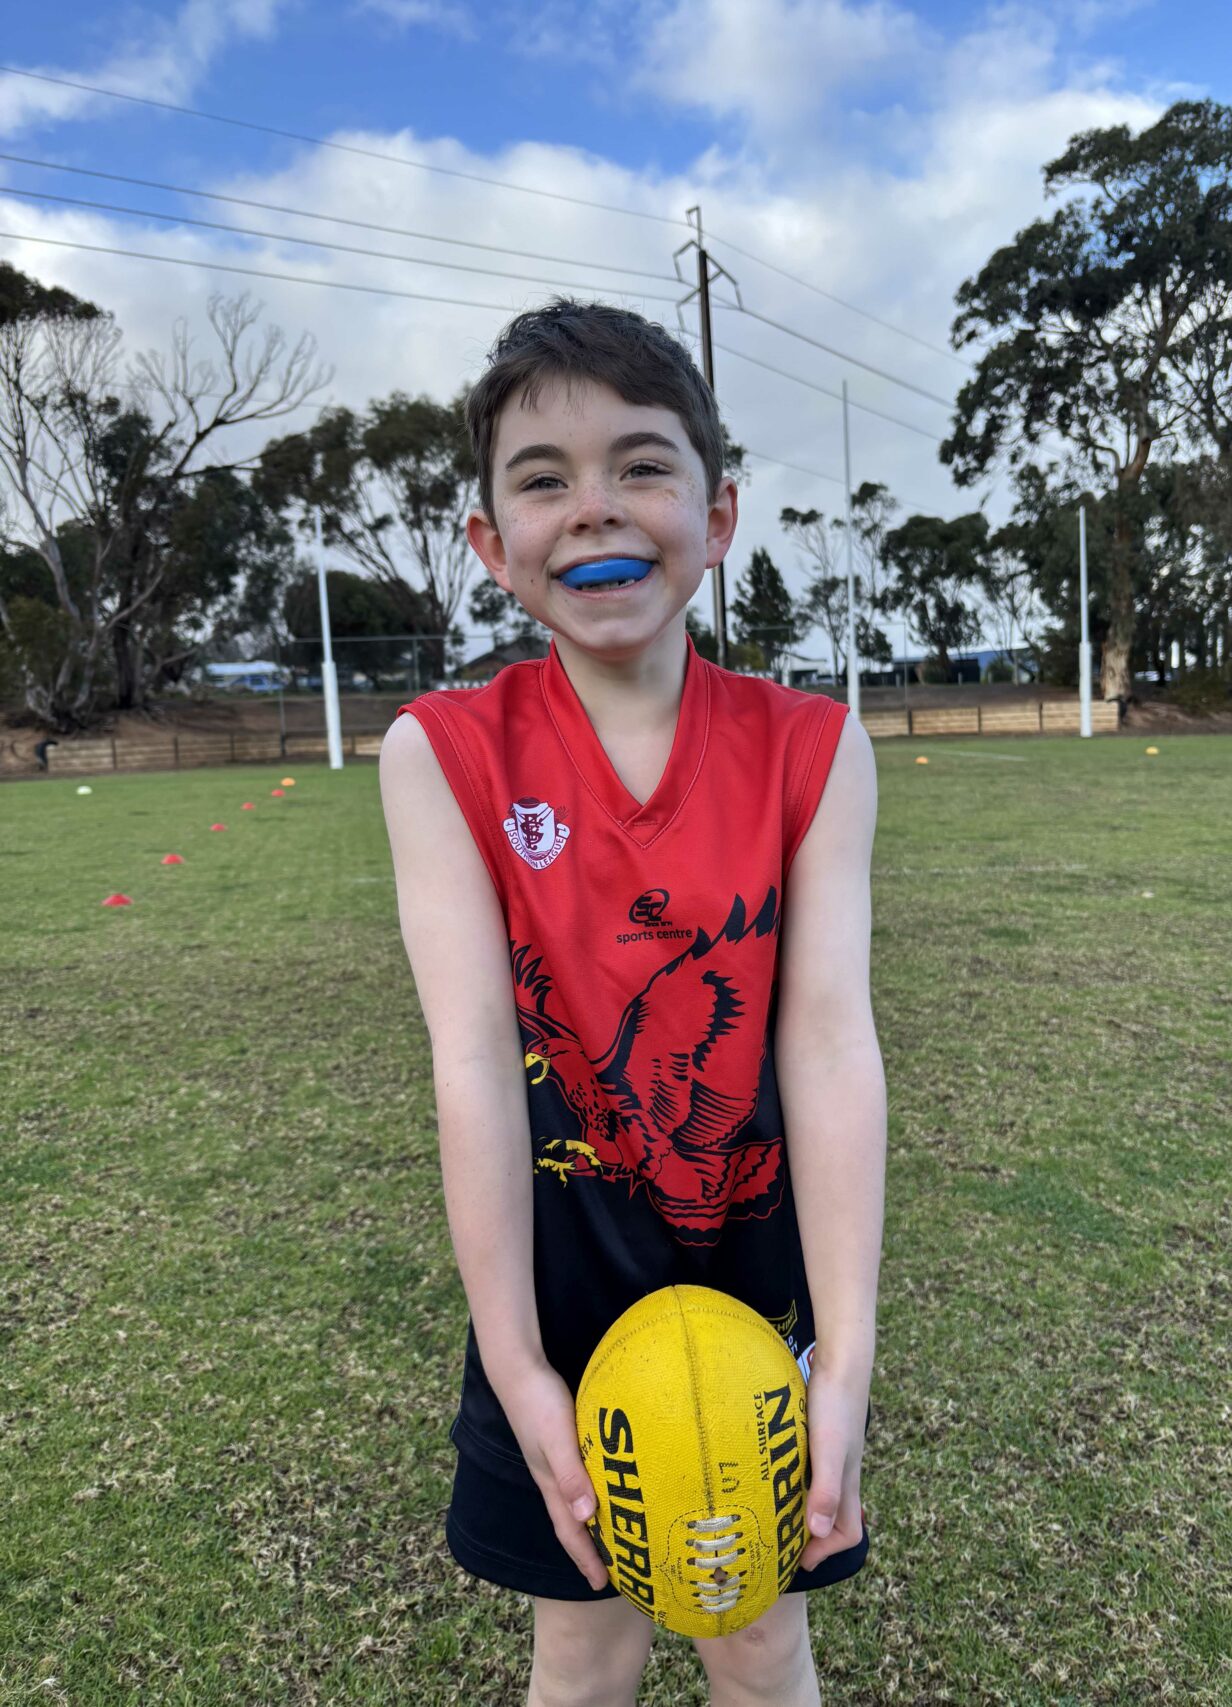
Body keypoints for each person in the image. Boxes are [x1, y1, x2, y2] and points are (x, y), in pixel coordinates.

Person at [379, 298, 886, 1707]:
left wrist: (844, 1360)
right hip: (560, 1296)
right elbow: (474, 1064)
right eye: (544, 478)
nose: (595, 506)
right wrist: (516, 1363)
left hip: (755, 1283)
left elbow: (829, 1045)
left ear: (717, 516)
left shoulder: (814, 747)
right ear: (491, 544)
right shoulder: (442, 752)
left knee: (764, 1641)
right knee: (584, 1648)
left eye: (642, 465)